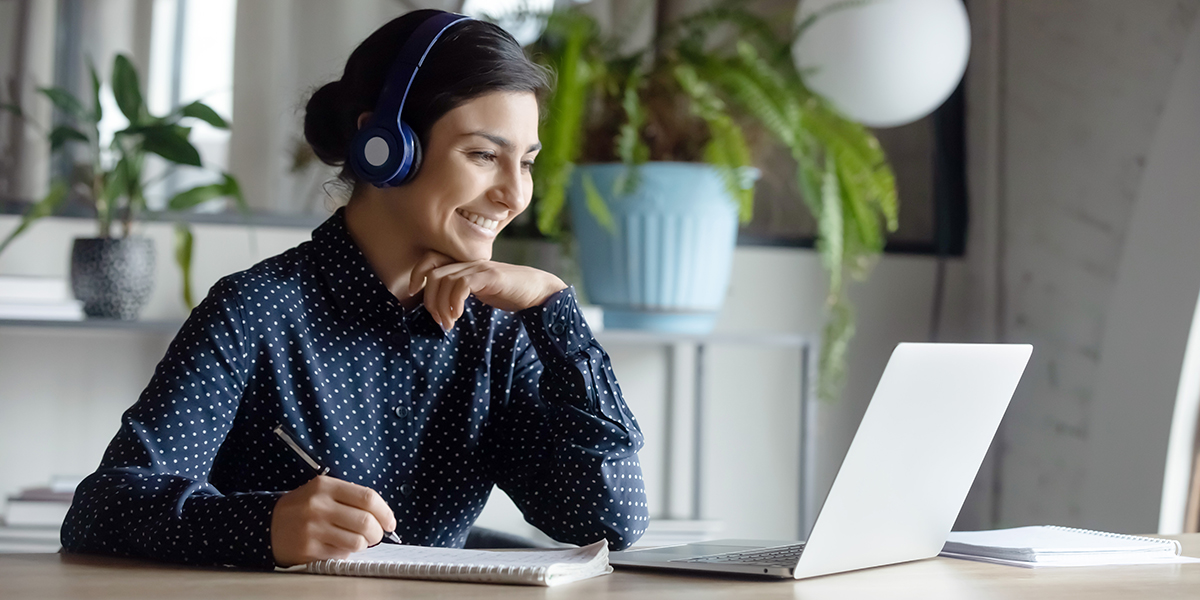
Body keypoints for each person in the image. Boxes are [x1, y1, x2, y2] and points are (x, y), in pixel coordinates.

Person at [61, 9, 648, 569]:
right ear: (385, 147)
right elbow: (101, 511)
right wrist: (265, 526)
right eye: (483, 155)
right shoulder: (255, 311)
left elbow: (610, 518)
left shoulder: (498, 331)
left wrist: (552, 307)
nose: (514, 195)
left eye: (526, 162)